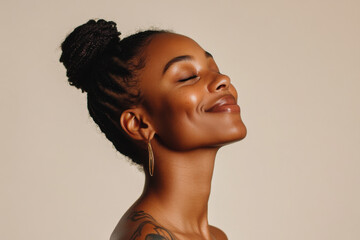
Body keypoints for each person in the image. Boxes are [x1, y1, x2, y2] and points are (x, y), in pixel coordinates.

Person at [60, 19, 247, 240]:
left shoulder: (216, 236)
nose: (222, 80)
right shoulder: (146, 237)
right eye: (187, 77)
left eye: (214, 69)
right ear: (139, 124)